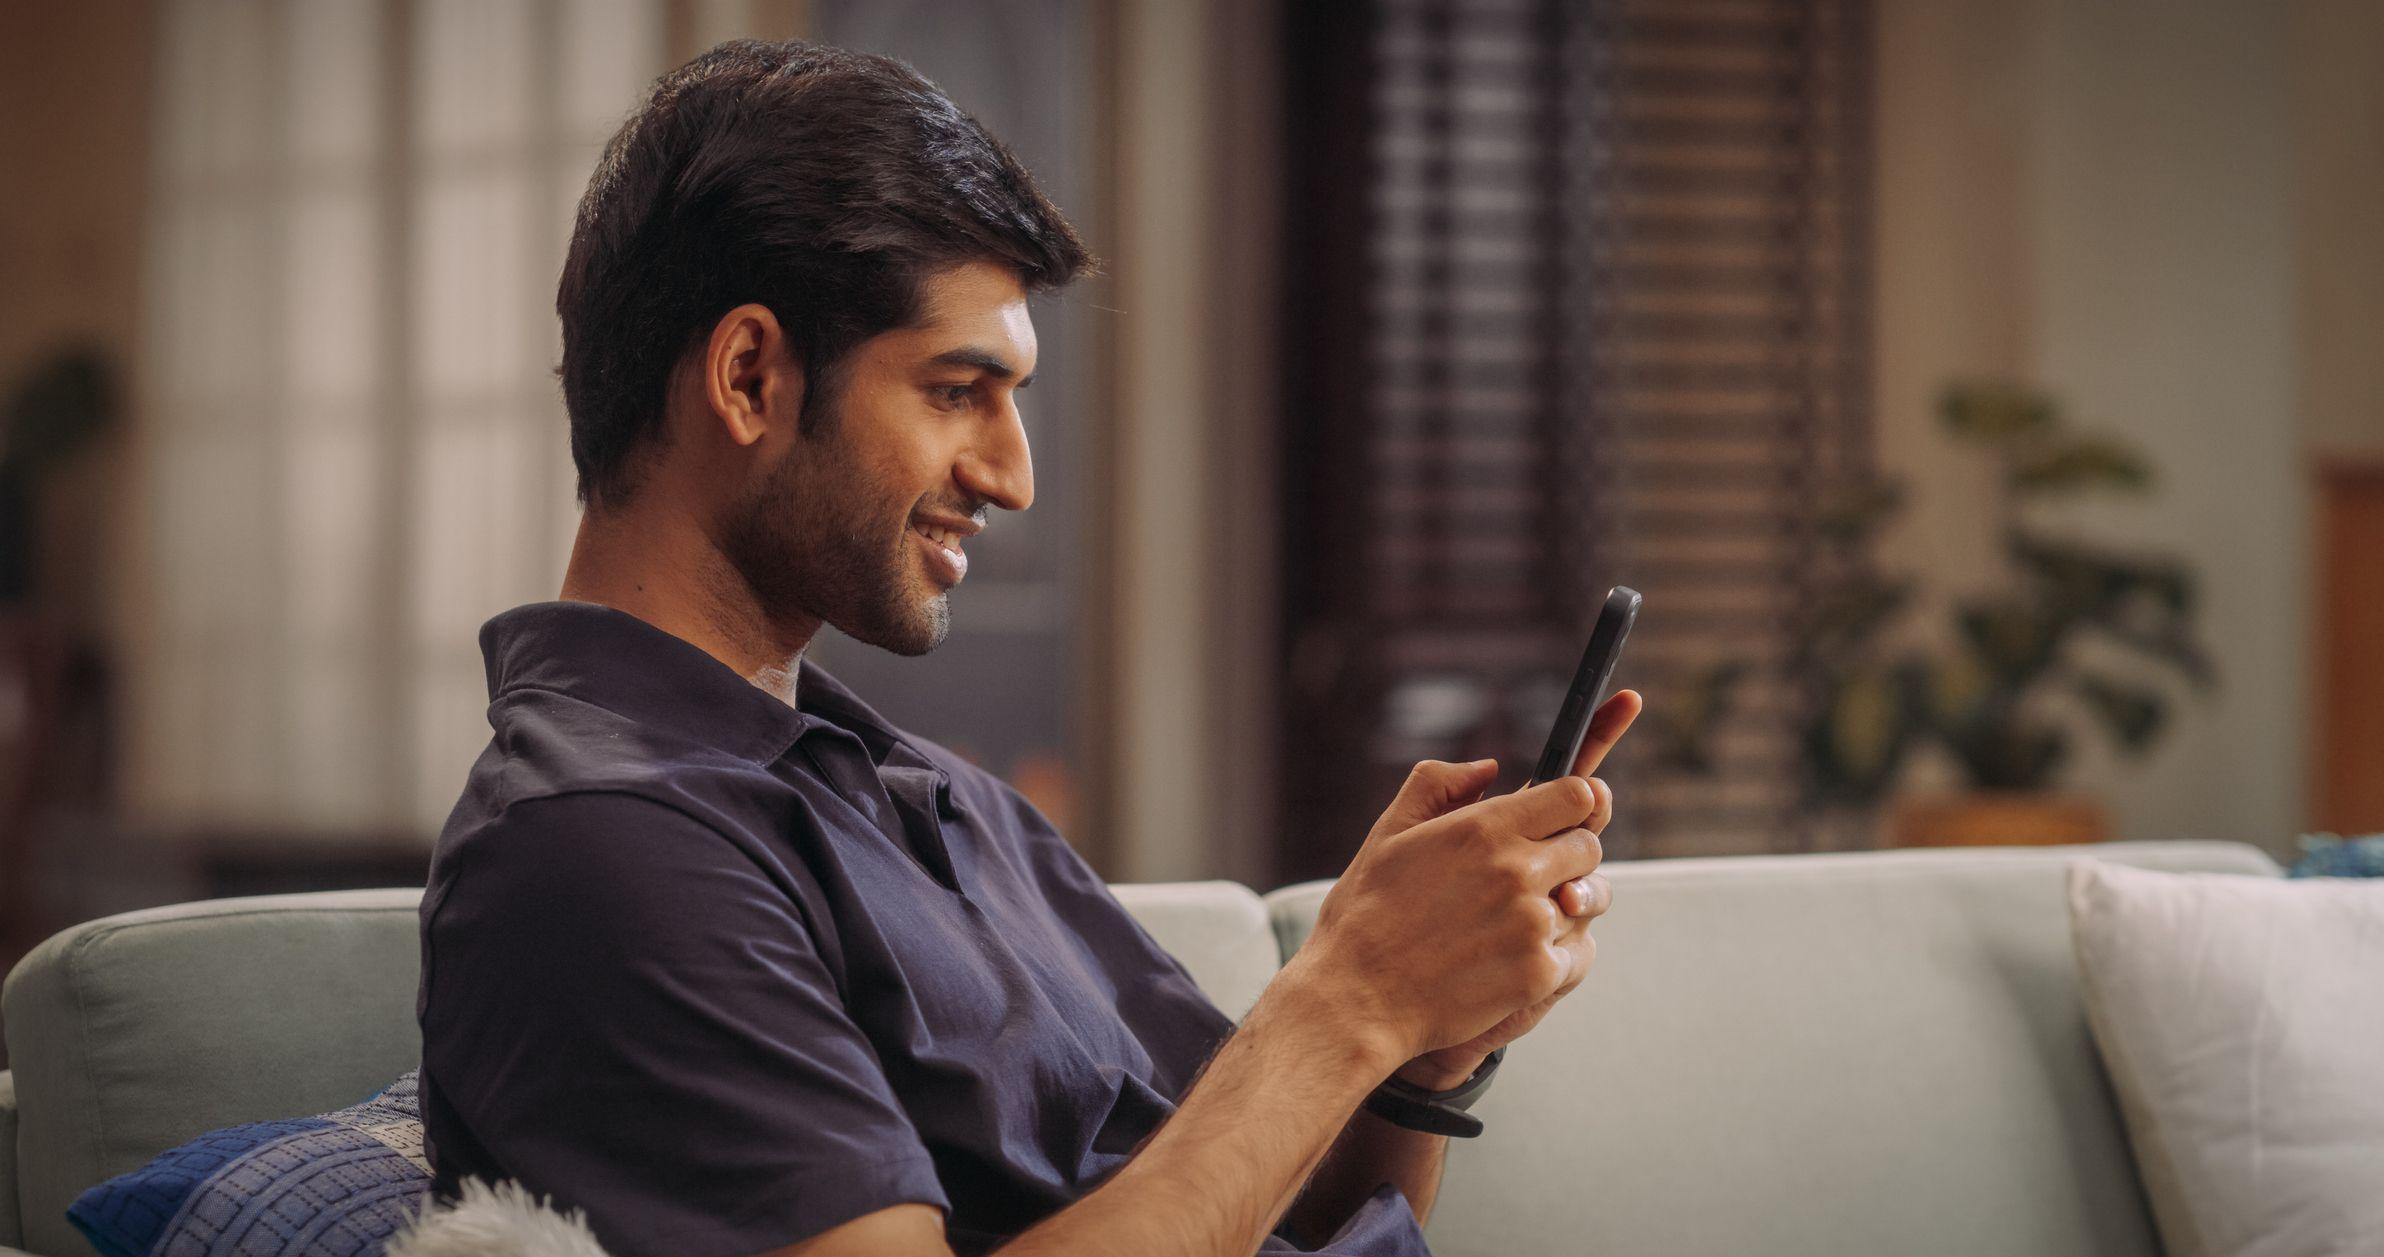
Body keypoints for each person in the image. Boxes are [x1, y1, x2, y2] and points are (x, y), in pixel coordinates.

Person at [415, 38, 1640, 1257]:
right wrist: (1346, 999)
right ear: (747, 379)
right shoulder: (597, 848)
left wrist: (1418, 1037)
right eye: (957, 390)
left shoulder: (941, 802)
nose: (1013, 476)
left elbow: (1278, 1207)